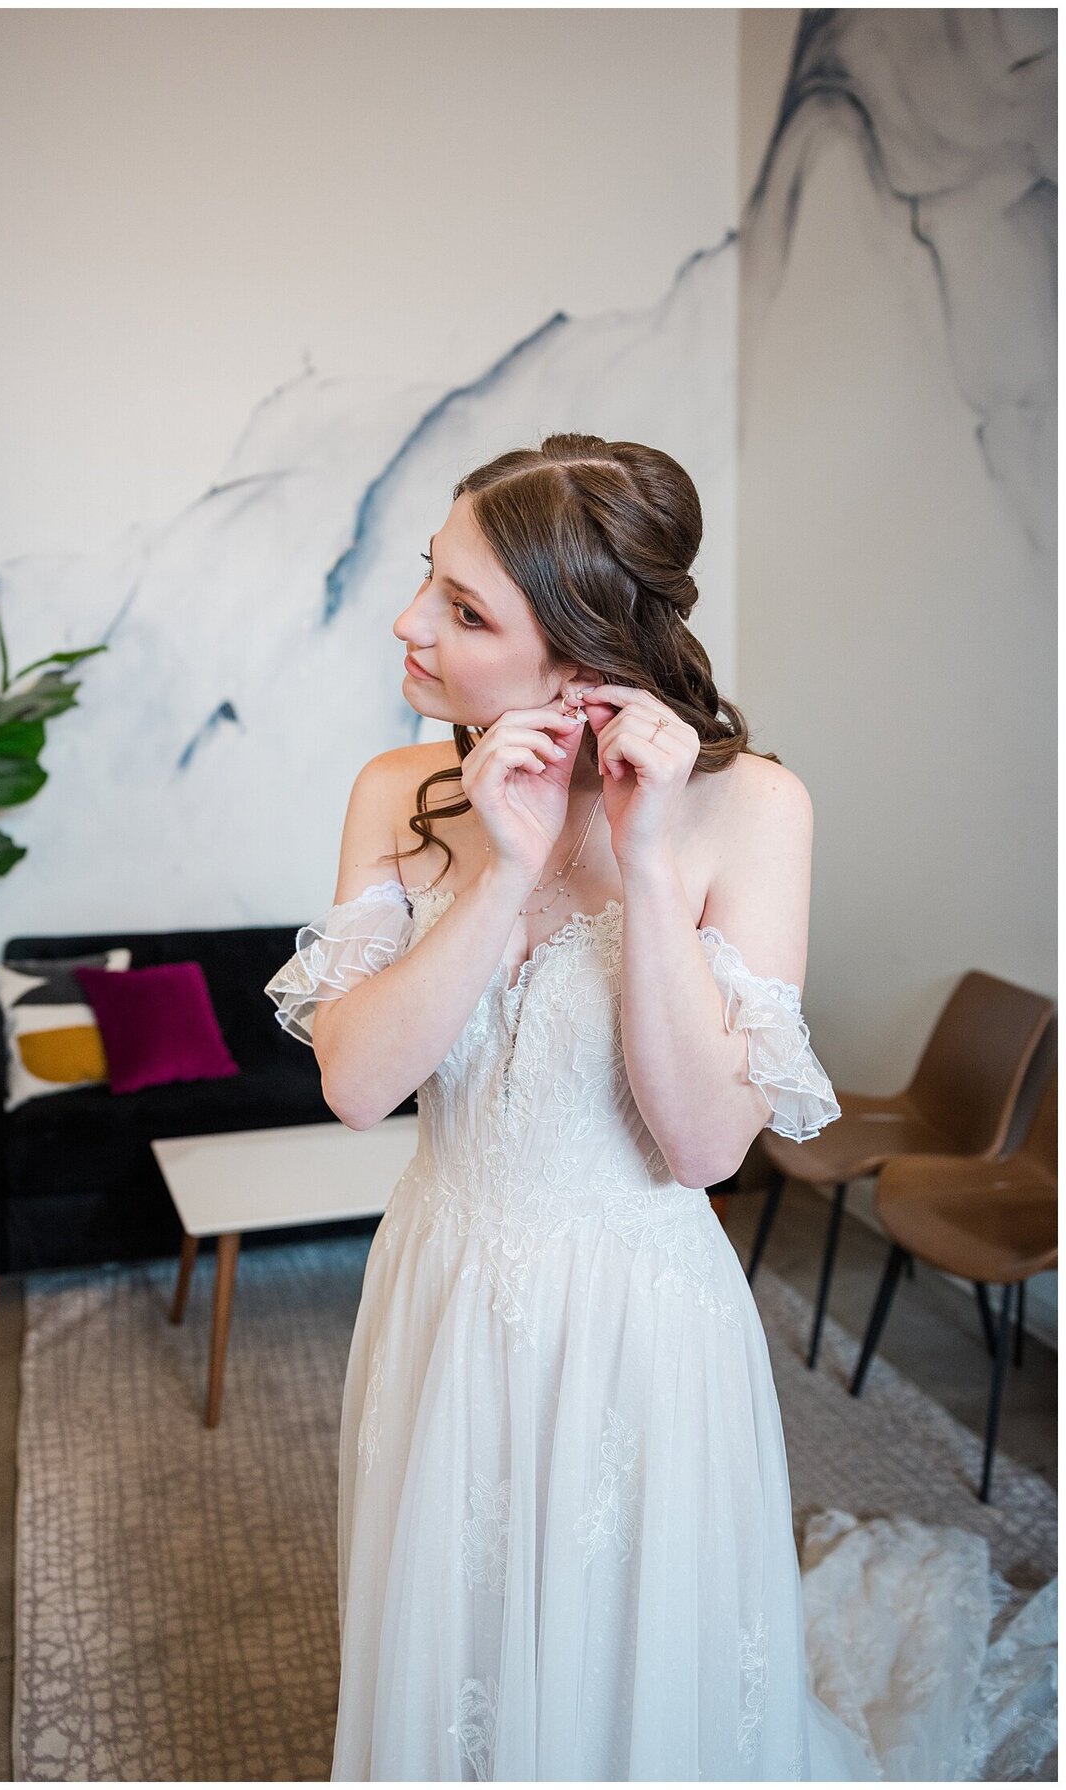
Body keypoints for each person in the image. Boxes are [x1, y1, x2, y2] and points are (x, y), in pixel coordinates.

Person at [265, 435, 1052, 1781]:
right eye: (429, 582)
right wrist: (504, 872)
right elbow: (356, 1083)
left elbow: (698, 1146)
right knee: (455, 1633)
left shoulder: (753, 811)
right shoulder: (401, 792)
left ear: (577, 654)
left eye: (462, 609)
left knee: (630, 1663)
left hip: (639, 1316)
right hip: (444, 1286)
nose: (409, 624)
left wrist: (638, 860)